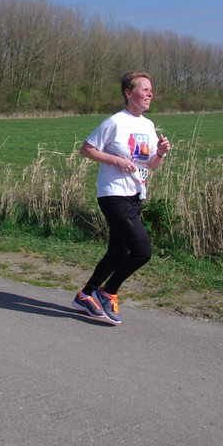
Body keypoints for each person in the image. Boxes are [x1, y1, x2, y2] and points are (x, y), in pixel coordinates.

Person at [73, 71, 171, 325]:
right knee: (142, 251)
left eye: (151, 89)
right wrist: (114, 160)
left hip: (135, 194)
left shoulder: (148, 125)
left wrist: (160, 153)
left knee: (118, 250)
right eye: (144, 89)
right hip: (113, 193)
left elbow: (151, 165)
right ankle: (107, 292)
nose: (150, 93)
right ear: (129, 93)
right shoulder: (115, 122)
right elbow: (86, 149)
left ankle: (85, 296)